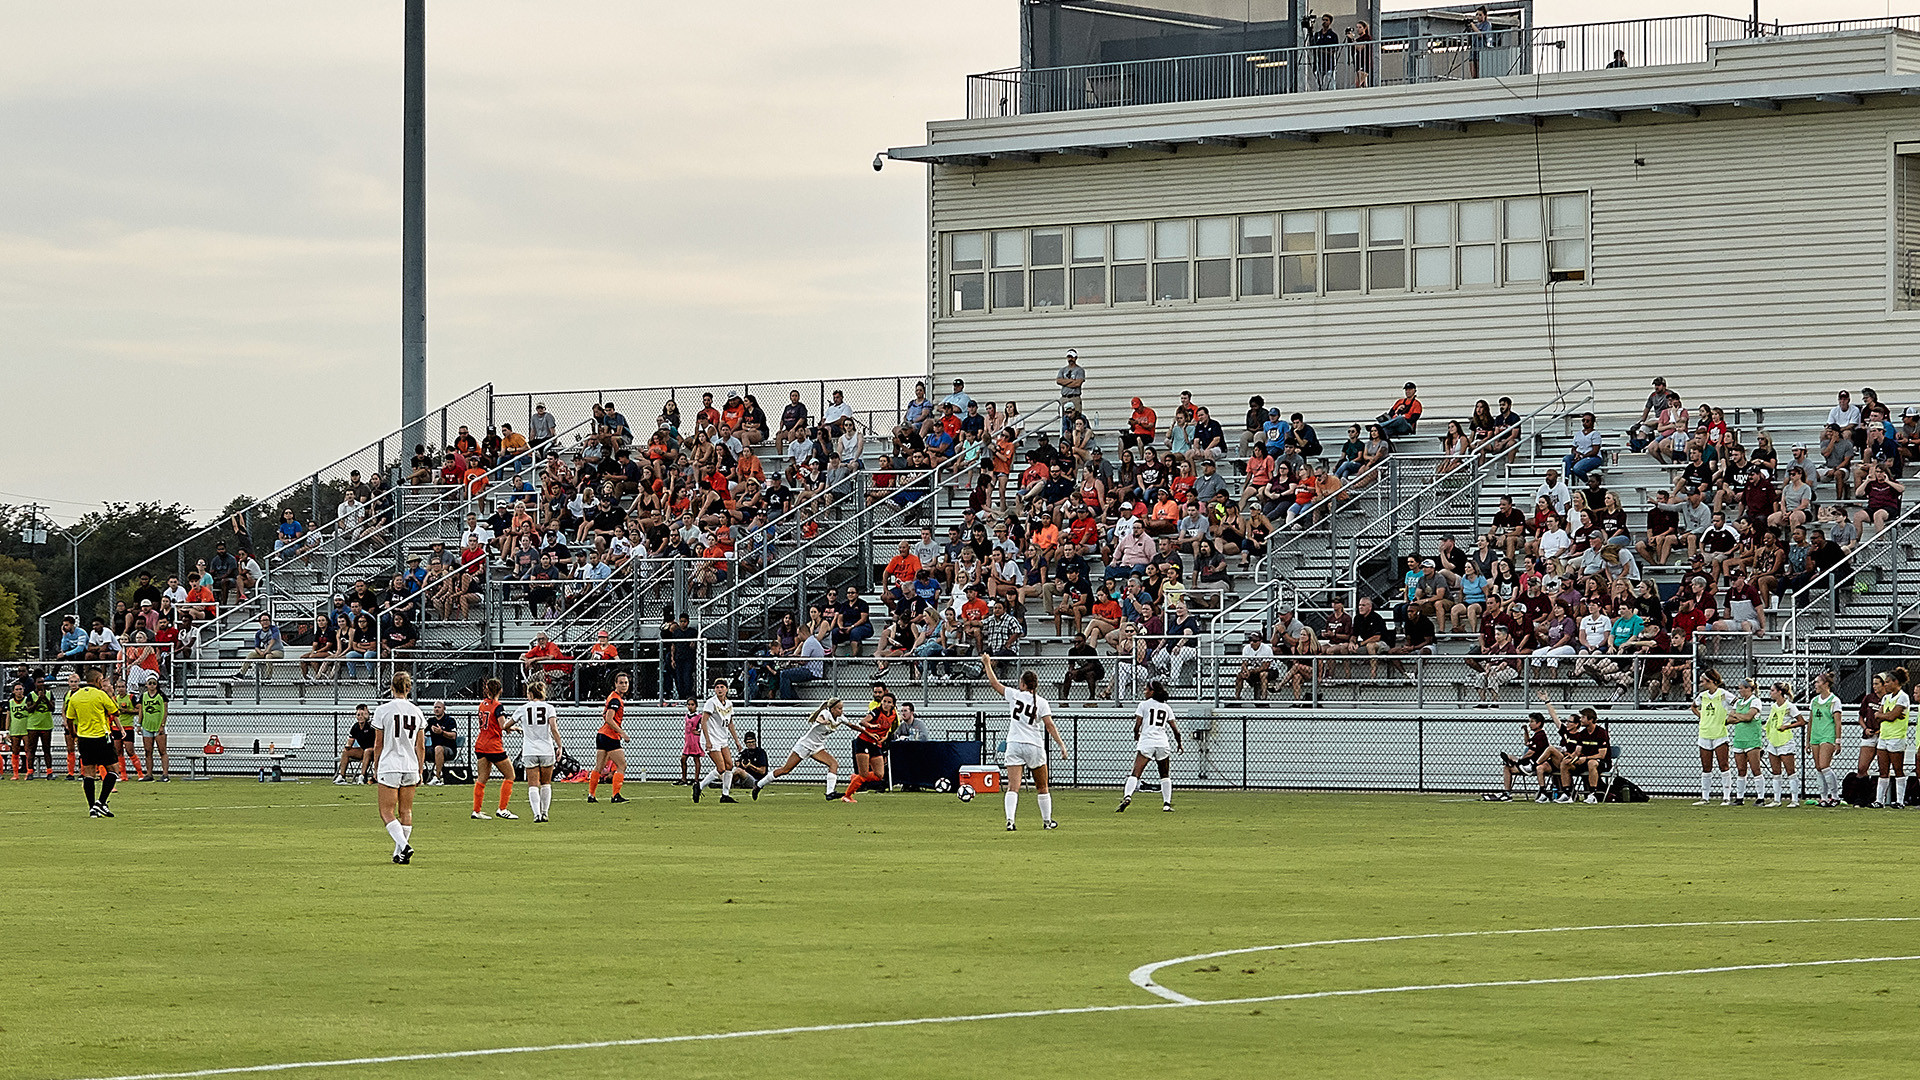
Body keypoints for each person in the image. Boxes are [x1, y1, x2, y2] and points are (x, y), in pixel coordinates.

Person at [982, 654, 1065, 831]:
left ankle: (1010, 821)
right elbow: (1049, 725)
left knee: (1013, 787)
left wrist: (987, 664)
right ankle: (1047, 821)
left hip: (1014, 744)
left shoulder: (1014, 695)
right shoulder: (1042, 702)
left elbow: (995, 684)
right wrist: (1061, 745)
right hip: (1034, 746)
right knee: (1042, 787)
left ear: (1023, 684)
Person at [371, 671, 425, 864]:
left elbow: (378, 744)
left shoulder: (382, 710)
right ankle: (399, 852)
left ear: (391, 688)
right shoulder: (417, 711)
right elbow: (421, 745)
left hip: (390, 764)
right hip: (410, 765)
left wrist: (376, 767)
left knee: (386, 811)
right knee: (406, 811)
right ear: (409, 688)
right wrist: (420, 770)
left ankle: (404, 845)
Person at [756, 698, 852, 800]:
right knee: (785, 770)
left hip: (817, 748)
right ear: (832, 709)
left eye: (842, 708)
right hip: (804, 745)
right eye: (839, 708)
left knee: (833, 764)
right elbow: (819, 719)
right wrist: (823, 722)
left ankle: (830, 793)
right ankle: (759, 784)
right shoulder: (825, 713)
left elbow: (852, 725)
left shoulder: (840, 718)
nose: (842, 711)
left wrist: (866, 732)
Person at [1117, 681, 1183, 813]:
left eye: (1146, 689)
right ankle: (1166, 804)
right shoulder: (1166, 707)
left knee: (1136, 773)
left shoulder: (1143, 705)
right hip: (1162, 743)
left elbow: (1137, 725)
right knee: (1164, 774)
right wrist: (1179, 743)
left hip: (1147, 741)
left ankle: (1128, 796)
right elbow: (1175, 729)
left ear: (1152, 692)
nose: (1144, 691)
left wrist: (1136, 734)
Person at [63, 670, 121, 817]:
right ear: (97, 680)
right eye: (102, 680)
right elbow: (116, 711)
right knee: (114, 770)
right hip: (101, 737)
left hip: (83, 739)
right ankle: (100, 802)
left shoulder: (75, 696)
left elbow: (69, 718)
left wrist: (73, 733)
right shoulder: (101, 695)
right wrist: (108, 694)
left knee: (88, 774)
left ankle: (92, 809)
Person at [511, 680, 563, 822]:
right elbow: (553, 728)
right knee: (546, 783)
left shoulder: (523, 708)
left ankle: (536, 815)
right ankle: (545, 813)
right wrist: (559, 746)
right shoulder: (549, 708)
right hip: (546, 749)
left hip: (529, 750)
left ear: (530, 694)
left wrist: (513, 728)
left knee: (533, 784)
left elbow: (506, 725)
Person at [470, 679, 518, 820]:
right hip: (493, 746)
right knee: (510, 775)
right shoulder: (498, 706)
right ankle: (502, 809)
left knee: (482, 778)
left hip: (481, 744)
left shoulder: (482, 704)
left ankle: (476, 810)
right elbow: (502, 725)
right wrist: (514, 727)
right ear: (500, 690)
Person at [691, 679, 743, 803]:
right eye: (717, 687)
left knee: (729, 765)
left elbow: (730, 723)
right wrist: (707, 741)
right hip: (712, 738)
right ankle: (700, 786)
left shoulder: (729, 704)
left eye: (722, 687)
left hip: (722, 738)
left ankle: (725, 794)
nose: (719, 689)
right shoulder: (711, 703)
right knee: (721, 768)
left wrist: (737, 741)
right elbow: (704, 721)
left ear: (727, 689)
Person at [842, 691, 898, 802]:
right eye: (884, 701)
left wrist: (884, 737)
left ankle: (855, 778)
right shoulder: (876, 712)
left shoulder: (893, 715)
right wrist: (871, 726)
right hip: (864, 741)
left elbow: (887, 729)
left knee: (879, 775)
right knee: (863, 774)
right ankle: (847, 796)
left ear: (893, 705)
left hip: (876, 744)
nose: (886, 704)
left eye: (889, 702)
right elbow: (863, 722)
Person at [1761, 682, 1807, 808]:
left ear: (1779, 692)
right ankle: (1776, 799)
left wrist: (1787, 726)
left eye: (1772, 690)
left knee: (1790, 771)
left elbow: (1802, 721)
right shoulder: (1773, 706)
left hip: (1785, 741)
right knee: (1776, 772)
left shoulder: (1789, 706)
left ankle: (1794, 800)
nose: (1770, 693)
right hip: (1773, 741)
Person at [1691, 668, 1732, 805]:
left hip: (1719, 734)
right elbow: (1694, 706)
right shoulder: (1703, 696)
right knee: (1706, 766)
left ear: (1711, 681)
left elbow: (1737, 704)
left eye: (1704, 681)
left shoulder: (1723, 694)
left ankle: (1726, 796)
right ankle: (1705, 797)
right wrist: (1702, 718)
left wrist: (1729, 718)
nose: (1702, 683)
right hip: (1705, 733)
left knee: (1723, 765)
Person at [1872, 666, 1911, 808]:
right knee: (1883, 770)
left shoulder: (1903, 697)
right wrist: (1886, 716)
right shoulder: (1886, 698)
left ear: (1895, 682)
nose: (1886, 685)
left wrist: (1886, 716)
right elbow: (1880, 716)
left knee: (1898, 769)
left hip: (1896, 737)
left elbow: (1890, 715)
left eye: (1888, 682)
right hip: (1884, 736)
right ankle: (1879, 800)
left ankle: (1900, 801)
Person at [588, 672, 630, 804]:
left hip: (601, 735)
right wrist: (621, 732)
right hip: (609, 736)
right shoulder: (615, 699)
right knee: (622, 765)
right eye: (621, 683)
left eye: (626, 683)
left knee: (599, 767)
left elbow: (605, 715)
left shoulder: (612, 697)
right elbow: (609, 718)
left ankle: (591, 795)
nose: (624, 685)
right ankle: (615, 795)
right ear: (615, 684)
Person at [1806, 671, 1844, 807]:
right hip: (1815, 736)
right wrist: (1808, 741)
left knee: (1824, 766)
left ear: (1826, 684)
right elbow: (1810, 721)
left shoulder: (1834, 701)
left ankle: (1834, 795)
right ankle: (1823, 797)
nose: (1815, 684)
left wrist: (1837, 741)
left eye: (1818, 682)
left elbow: (1838, 722)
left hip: (1827, 736)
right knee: (1818, 767)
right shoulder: (1814, 701)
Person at [1495, 712, 1553, 801]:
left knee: (1510, 763)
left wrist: (1520, 760)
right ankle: (1507, 793)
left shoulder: (1540, 736)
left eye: (1532, 722)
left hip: (1532, 765)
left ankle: (1513, 762)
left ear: (1539, 723)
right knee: (1507, 767)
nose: (1530, 724)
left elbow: (1531, 752)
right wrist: (1526, 731)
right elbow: (1527, 743)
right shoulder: (1536, 735)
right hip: (1528, 763)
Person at [1726, 678, 1765, 806]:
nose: (1740, 690)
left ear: (1750, 688)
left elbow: (1748, 717)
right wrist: (1740, 717)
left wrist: (1737, 716)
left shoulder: (1755, 701)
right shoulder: (1738, 703)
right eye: (1739, 688)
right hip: (1739, 739)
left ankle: (1760, 797)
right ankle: (1739, 797)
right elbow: (1729, 719)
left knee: (1755, 769)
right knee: (1741, 769)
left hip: (1752, 739)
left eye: (1743, 688)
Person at [136, 681, 170, 782]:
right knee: (148, 751)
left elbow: (165, 711)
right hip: (147, 726)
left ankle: (165, 774)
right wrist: (139, 724)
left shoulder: (161, 695)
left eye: (153, 683)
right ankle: (149, 774)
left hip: (158, 726)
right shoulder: (144, 696)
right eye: (149, 683)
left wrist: (162, 725)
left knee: (162, 751)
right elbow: (141, 711)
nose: (151, 685)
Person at [335, 704, 377, 784]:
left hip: (374, 751)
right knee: (345, 752)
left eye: (362, 714)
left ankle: (362, 776)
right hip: (363, 750)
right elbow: (349, 743)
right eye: (358, 715)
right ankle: (342, 776)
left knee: (367, 751)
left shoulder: (372, 725)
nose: (360, 717)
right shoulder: (355, 727)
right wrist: (347, 747)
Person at [424, 701, 460, 786]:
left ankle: (437, 777)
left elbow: (453, 736)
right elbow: (422, 733)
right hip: (434, 749)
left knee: (438, 748)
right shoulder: (431, 721)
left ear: (444, 709)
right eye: (435, 707)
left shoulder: (450, 720)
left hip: (449, 750)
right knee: (417, 748)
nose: (436, 709)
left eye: (439, 707)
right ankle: (420, 774)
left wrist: (442, 732)